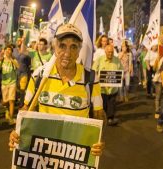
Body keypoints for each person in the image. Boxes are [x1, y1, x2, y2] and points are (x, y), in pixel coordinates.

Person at [9, 24, 105, 156]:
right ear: (54, 47)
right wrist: (17, 131)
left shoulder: (91, 78)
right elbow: (26, 109)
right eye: (62, 46)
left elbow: (99, 117)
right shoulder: (39, 75)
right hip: (44, 152)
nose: (67, 53)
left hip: (75, 154)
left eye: (73, 47)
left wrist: (97, 138)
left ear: (79, 51)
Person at [92, 45, 123, 126]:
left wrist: (120, 77)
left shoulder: (117, 60)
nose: (110, 53)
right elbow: (93, 70)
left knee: (112, 104)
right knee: (104, 104)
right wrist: (97, 77)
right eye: (109, 52)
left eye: (112, 52)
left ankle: (110, 118)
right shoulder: (100, 59)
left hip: (113, 89)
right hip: (102, 89)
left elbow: (121, 70)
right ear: (105, 52)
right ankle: (103, 119)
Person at [0, 45, 19, 124]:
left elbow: (18, 66)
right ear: (4, 51)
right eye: (6, 50)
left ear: (12, 52)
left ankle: (11, 118)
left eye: (10, 50)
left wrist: (12, 60)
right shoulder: (2, 60)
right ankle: (7, 110)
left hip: (12, 82)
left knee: (11, 100)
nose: (8, 51)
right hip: (4, 83)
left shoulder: (14, 59)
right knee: (5, 101)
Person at [13, 37, 31, 108]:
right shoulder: (14, 50)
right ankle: (17, 100)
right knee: (17, 88)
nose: (19, 41)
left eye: (20, 40)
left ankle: (21, 104)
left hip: (24, 72)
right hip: (15, 73)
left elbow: (29, 61)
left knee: (22, 89)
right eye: (18, 40)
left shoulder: (26, 50)